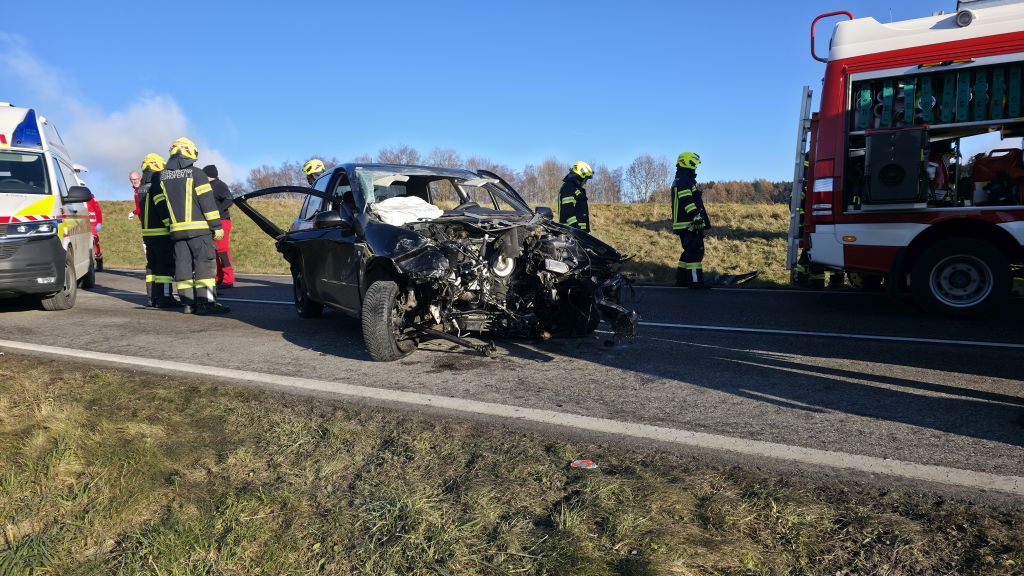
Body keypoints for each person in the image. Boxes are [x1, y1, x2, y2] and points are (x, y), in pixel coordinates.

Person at [156, 137, 229, 315]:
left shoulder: (163, 176)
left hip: (177, 233)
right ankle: (207, 303)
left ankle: (187, 304)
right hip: (199, 232)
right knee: (205, 265)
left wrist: (169, 225)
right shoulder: (197, 174)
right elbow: (207, 202)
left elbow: (162, 206)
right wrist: (216, 226)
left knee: (183, 266)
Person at [138, 153, 177, 308]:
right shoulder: (157, 183)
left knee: (152, 266)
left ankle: (152, 297)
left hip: (147, 233)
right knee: (165, 266)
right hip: (161, 232)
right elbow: (161, 206)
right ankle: (165, 298)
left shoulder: (142, 186)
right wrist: (170, 225)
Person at [671, 151, 711, 289]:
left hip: (684, 224)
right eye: (694, 164)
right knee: (695, 252)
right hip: (689, 224)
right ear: (688, 162)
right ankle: (695, 282)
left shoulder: (681, 179)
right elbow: (687, 200)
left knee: (688, 252)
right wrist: (696, 216)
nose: (695, 167)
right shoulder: (684, 181)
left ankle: (681, 280)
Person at [203, 164, 235, 289]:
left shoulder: (220, 185)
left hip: (222, 221)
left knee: (222, 251)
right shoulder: (207, 186)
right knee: (214, 251)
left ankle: (228, 279)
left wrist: (218, 211)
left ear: (208, 175)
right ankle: (218, 277)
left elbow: (230, 200)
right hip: (211, 223)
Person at [558, 161, 593, 232]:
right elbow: (567, 209)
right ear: (580, 176)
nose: (585, 182)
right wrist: (575, 230)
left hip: (580, 233)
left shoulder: (575, 189)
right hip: (572, 233)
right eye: (585, 179)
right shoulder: (569, 187)